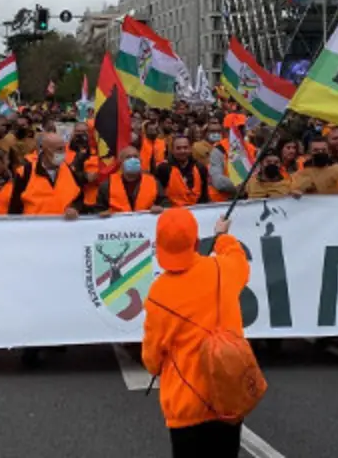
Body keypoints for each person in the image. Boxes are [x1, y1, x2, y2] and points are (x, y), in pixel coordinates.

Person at [142, 208, 252, 458]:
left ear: (160, 246)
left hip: (186, 403)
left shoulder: (158, 294)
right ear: (194, 241)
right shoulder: (222, 269)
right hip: (227, 396)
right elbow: (239, 261)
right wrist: (223, 236)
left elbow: (151, 359)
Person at [95, 146, 165, 215]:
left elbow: (165, 204)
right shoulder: (107, 185)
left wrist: (160, 208)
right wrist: (103, 214)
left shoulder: (154, 182)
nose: (132, 160)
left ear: (140, 161)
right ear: (120, 163)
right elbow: (98, 210)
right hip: (117, 225)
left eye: (135, 157)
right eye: (128, 157)